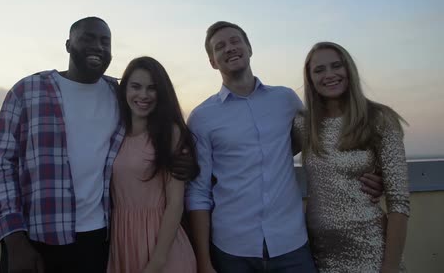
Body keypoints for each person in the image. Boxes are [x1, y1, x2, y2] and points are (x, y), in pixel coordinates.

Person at [185, 21, 385, 273]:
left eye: (235, 41)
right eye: (220, 46)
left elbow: (325, 141)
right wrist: (204, 261)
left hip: (291, 245)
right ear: (212, 61)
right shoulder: (202, 117)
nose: (230, 48)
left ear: (249, 48)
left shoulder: (286, 99)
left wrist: (371, 175)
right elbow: (199, 192)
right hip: (231, 248)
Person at [0, 16, 124, 273]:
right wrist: (14, 239)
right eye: (88, 38)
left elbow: (152, 136)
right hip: (38, 237)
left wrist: (178, 159)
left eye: (105, 41)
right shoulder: (27, 91)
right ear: (68, 45)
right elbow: (0, 165)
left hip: (100, 238)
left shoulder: (121, 95)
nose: (98, 46)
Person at [291, 42, 410, 272]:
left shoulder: (379, 119)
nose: (329, 75)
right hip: (319, 255)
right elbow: (267, 157)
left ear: (349, 70)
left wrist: (390, 267)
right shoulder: (304, 125)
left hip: (370, 251)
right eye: (319, 70)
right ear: (310, 79)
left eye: (336, 66)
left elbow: (400, 203)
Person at [108, 56, 199, 273]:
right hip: (122, 241)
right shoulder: (114, 133)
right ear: (124, 90)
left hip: (163, 247)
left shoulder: (170, 132)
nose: (143, 95)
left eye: (152, 88)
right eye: (136, 87)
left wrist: (156, 263)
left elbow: (175, 203)